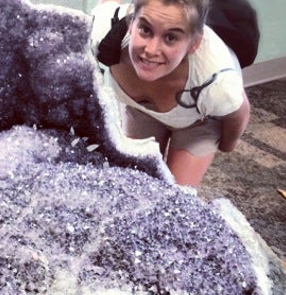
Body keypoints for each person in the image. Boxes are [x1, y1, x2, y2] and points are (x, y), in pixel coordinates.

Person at [91, 0, 250, 187]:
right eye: (145, 30)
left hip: (198, 121)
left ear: (194, 44)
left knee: (176, 196)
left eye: (170, 38)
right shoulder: (102, 31)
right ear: (131, 23)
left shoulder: (217, 83)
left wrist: (224, 146)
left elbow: (239, 115)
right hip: (140, 111)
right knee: (138, 186)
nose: (151, 50)